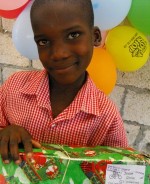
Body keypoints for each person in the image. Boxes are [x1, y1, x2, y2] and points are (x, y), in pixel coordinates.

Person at [0, 0, 128, 164]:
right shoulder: (14, 88)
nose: (59, 54)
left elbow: (122, 169)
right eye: (44, 41)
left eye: (73, 35)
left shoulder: (106, 117)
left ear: (95, 37)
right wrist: (5, 133)